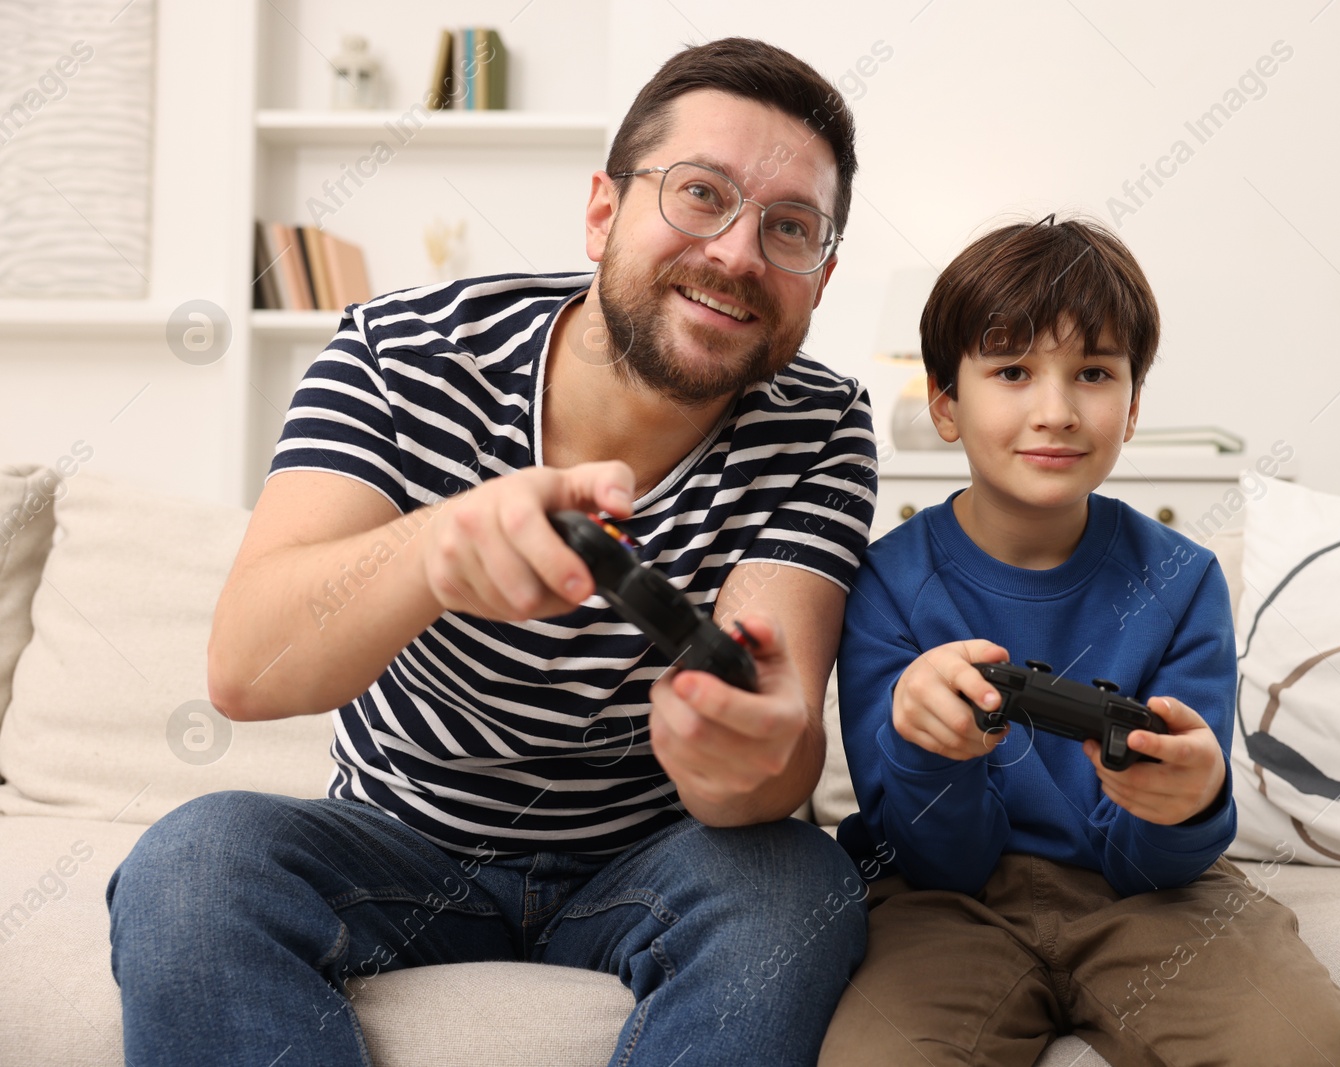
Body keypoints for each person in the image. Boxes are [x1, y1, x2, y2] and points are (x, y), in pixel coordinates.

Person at [106, 38, 877, 1067]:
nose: (738, 254)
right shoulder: (398, 351)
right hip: (400, 842)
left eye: (790, 228)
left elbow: (766, 770)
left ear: (820, 275)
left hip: (652, 854)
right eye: (701, 194)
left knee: (801, 881)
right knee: (193, 860)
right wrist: (435, 548)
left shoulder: (821, 424)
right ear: (603, 210)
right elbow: (248, 666)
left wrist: (741, 757)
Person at [817, 217, 1340, 1066]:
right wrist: (925, 753)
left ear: (1132, 407)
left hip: (1158, 904)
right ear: (944, 403)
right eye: (1012, 371)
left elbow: (1154, 862)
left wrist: (1192, 803)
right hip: (943, 910)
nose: (1055, 411)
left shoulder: (1182, 579)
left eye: (1092, 373)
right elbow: (935, 860)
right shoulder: (884, 584)